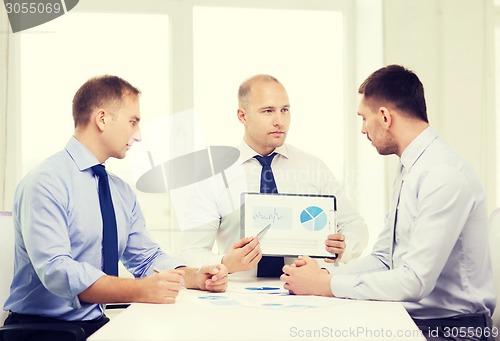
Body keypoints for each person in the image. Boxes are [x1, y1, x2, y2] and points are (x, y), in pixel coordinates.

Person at [3, 75, 228, 340]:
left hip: (95, 324)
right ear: (102, 119)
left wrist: (195, 276)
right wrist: (139, 290)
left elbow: (146, 258)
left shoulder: (119, 191)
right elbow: (57, 271)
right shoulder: (45, 182)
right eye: (133, 122)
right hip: (41, 332)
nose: (139, 135)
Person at [281, 65, 496, 339]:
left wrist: (327, 284)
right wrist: (321, 274)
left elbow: (414, 281)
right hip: (417, 320)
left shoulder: (443, 174)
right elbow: (385, 258)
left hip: (452, 330)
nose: (362, 130)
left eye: (363, 118)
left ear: (384, 116)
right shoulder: (411, 167)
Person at [179, 74, 368, 277]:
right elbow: (190, 252)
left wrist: (343, 247)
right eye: (268, 111)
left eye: (284, 110)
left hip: (307, 294)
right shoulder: (215, 177)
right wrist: (225, 262)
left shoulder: (312, 167)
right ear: (242, 116)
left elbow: (356, 225)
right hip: (238, 298)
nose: (280, 121)